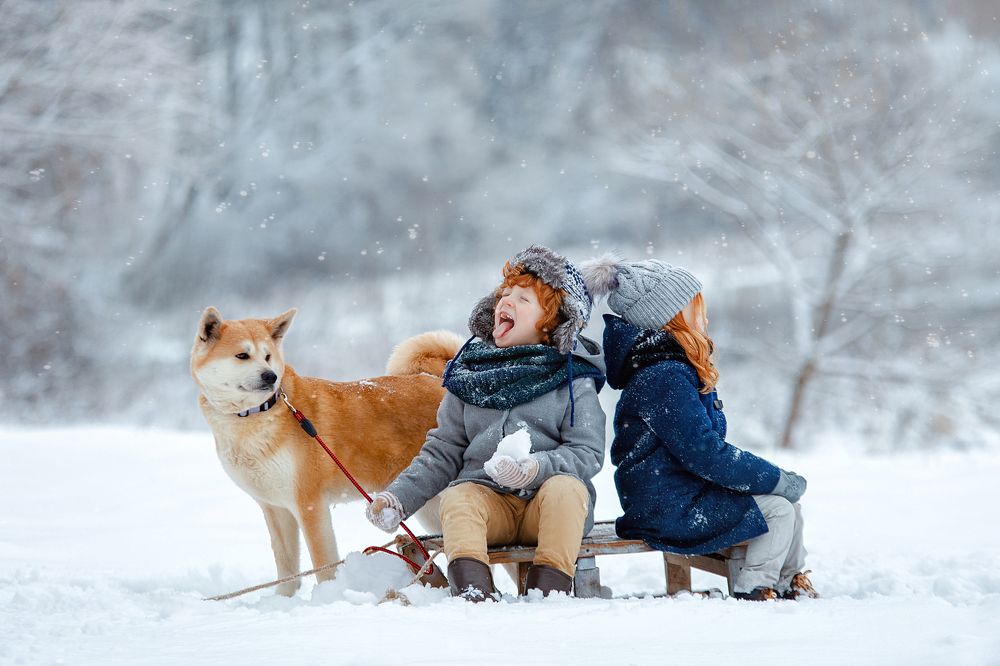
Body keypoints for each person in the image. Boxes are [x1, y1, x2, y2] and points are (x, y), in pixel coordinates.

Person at [366, 245, 607, 601]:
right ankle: (473, 593)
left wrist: (535, 468)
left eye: (523, 298)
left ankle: (549, 594)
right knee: (460, 497)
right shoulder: (470, 377)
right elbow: (443, 451)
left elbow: (586, 452)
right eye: (504, 295)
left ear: (552, 320)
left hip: (549, 511)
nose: (506, 303)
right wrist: (398, 499)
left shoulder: (573, 380)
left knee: (567, 490)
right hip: (490, 506)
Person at [581, 257, 817, 601]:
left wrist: (771, 483)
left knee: (787, 507)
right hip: (667, 509)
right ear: (668, 318)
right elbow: (705, 453)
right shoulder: (664, 377)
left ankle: (790, 579)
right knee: (778, 508)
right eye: (695, 309)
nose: (704, 318)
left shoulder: (668, 368)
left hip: (680, 497)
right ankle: (755, 585)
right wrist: (774, 477)